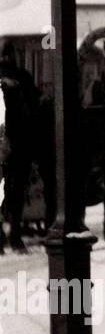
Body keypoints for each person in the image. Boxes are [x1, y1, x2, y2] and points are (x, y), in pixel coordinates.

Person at [1, 39, 41, 252]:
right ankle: (14, 234)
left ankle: (9, 234)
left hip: (16, 141)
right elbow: (34, 104)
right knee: (15, 190)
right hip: (19, 141)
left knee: (12, 190)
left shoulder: (21, 77)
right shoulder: (22, 76)